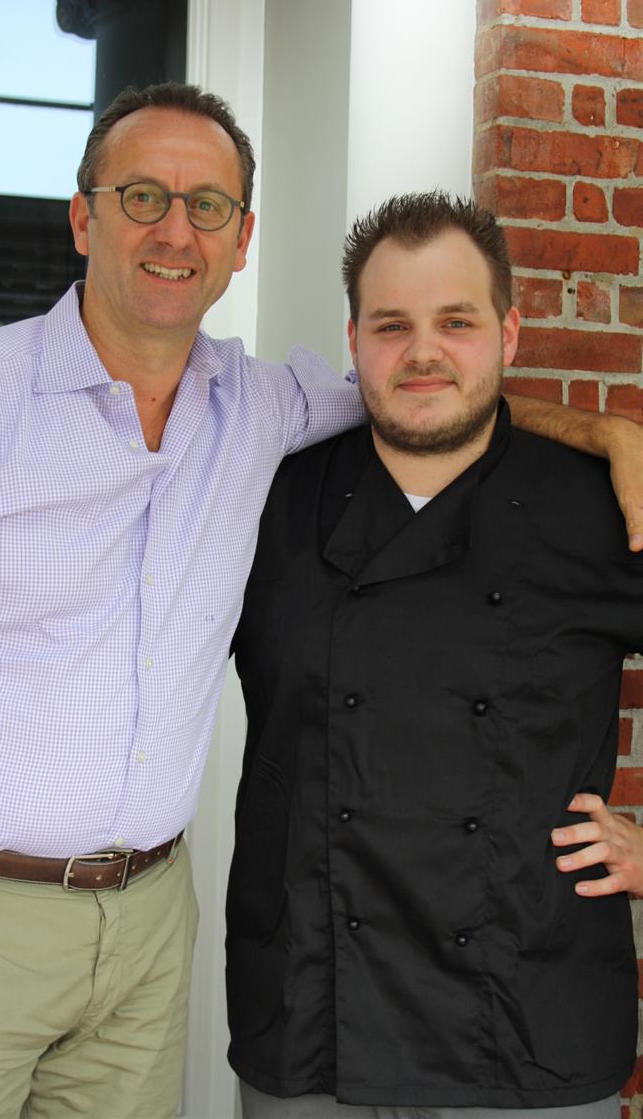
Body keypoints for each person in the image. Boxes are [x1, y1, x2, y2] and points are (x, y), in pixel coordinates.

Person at [0, 86, 639, 1119]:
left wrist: (606, 432)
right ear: (83, 217)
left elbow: (432, 392)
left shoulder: (256, 409)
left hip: (145, 938)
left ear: (242, 237)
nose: (175, 230)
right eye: (142, 197)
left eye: (207, 205)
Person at [227, 192, 643, 1119]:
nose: (423, 353)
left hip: (529, 1025)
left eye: (456, 322)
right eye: (392, 326)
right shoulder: (267, 503)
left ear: (510, 334)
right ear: (354, 339)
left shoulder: (601, 509)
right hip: (313, 1017)